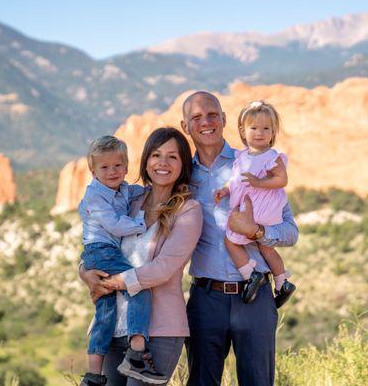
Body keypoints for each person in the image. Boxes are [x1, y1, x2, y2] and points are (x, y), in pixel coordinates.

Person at [181, 91, 299, 386]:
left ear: (223, 120)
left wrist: (257, 232)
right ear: (186, 126)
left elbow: (290, 232)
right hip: (205, 299)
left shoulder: (253, 163)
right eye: (196, 117)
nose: (205, 122)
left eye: (212, 115)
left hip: (255, 297)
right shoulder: (180, 174)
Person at [80, 127, 202, 386]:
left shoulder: (188, 210)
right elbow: (101, 241)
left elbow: (164, 268)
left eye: (173, 157)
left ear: (183, 164)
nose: (163, 163)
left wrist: (112, 283)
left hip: (158, 330)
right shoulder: (129, 200)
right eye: (156, 155)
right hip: (115, 327)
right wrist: (85, 272)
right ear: (146, 161)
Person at [78, 136, 168, 386]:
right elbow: (115, 225)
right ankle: (137, 354)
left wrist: (155, 189)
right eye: (105, 168)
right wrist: (143, 223)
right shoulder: (96, 197)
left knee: (105, 312)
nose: (112, 172)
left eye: (118, 166)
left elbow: (139, 191)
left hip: (100, 254)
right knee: (137, 286)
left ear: (126, 167)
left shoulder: (122, 189)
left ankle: (94, 375)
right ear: (93, 171)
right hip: (102, 251)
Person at [214, 100, 296, 307]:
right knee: (266, 248)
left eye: (266, 128)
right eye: (254, 128)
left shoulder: (272, 157)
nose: (260, 133)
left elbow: (282, 179)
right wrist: (225, 190)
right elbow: (235, 180)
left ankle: (251, 275)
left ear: (273, 131)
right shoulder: (242, 156)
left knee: (230, 241)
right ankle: (282, 282)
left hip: (260, 208)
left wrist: (259, 182)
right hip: (258, 210)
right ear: (243, 130)